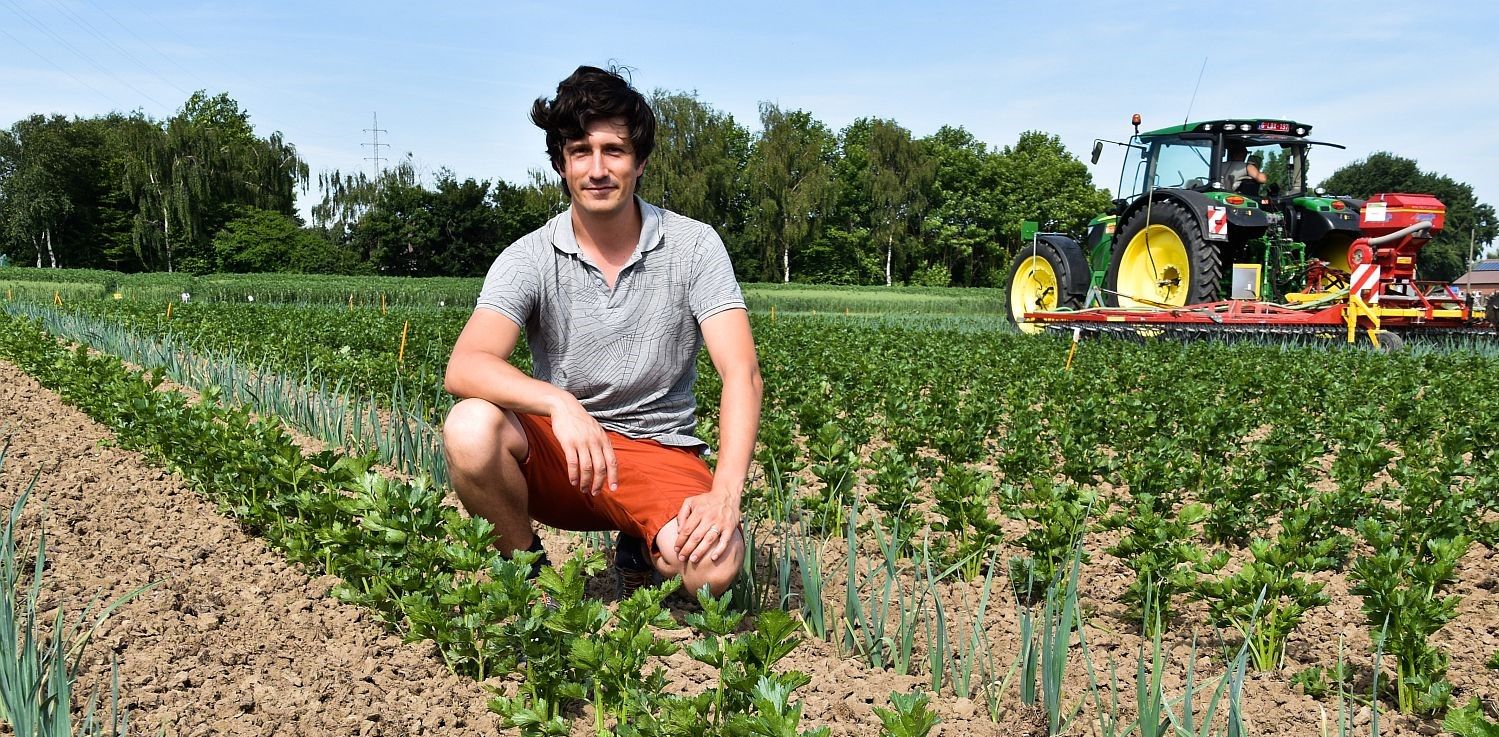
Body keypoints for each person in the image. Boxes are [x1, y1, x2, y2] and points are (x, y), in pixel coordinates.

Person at [442, 65, 762, 599]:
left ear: (639, 162)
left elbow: (742, 373)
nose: (598, 169)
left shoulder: (694, 245)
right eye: (580, 151)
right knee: (470, 427)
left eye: (613, 150)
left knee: (714, 570)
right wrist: (560, 404)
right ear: (562, 164)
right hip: (565, 457)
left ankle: (641, 547)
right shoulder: (529, 257)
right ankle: (532, 578)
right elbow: (467, 364)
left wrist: (726, 494)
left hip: (660, 449)